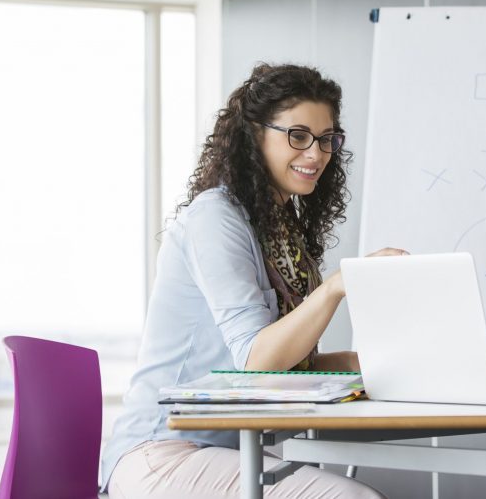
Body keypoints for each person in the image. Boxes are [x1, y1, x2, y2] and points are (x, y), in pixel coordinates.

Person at [102, 63, 400, 499]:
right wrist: (338, 285)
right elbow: (257, 366)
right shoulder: (215, 216)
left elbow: (297, 366)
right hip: (163, 453)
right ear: (254, 135)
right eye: (297, 136)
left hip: (233, 449)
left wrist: (407, 362)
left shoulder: (280, 227)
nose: (316, 154)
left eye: (327, 139)